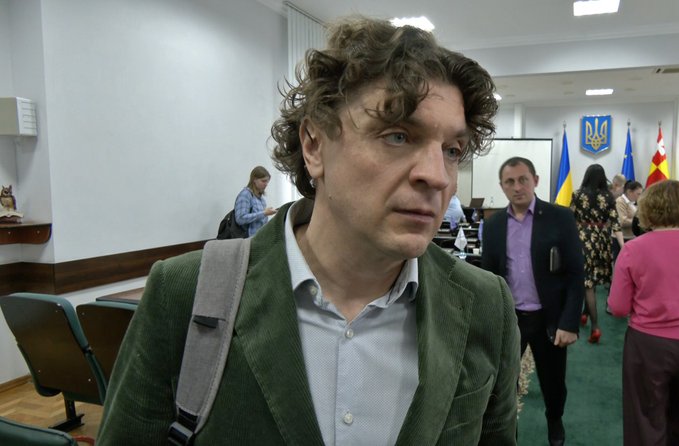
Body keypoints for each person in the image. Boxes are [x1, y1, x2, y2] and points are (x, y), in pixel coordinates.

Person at [97, 16, 520, 445]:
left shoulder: (486, 307)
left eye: (452, 150)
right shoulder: (186, 293)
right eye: (397, 136)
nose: (438, 176)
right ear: (314, 145)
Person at [607, 180, 679, 446]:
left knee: (645, 425)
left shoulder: (634, 249)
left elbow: (618, 307)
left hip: (648, 346)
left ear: (648, 208)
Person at [481, 156, 585, 446]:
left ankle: (554, 419)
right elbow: (488, 276)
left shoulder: (560, 218)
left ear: (535, 181)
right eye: (510, 182)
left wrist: (569, 322)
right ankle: (507, 431)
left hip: (549, 318)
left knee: (553, 383)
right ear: (502, 186)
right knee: (503, 384)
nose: (517, 187)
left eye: (523, 179)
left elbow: (576, 274)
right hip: (511, 319)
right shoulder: (493, 225)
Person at [570, 164, 623, 343]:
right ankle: (584, 314)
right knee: (592, 281)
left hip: (583, 239)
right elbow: (615, 223)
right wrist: (623, 246)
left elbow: (571, 218)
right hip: (602, 241)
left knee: (587, 283)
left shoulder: (578, 195)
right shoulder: (608, 196)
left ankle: (595, 326)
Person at [234, 165, 277, 237]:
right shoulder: (245, 194)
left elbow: (260, 223)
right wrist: (264, 213)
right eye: (263, 181)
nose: (266, 184)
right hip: (248, 240)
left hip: (259, 238)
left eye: (267, 181)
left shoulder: (261, 199)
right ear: (254, 180)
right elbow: (240, 219)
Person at [615, 181, 643, 246]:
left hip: (633, 236)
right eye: (638, 194)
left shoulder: (635, 202)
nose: (640, 196)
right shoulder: (620, 201)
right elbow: (622, 221)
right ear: (629, 192)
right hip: (623, 238)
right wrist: (639, 222)